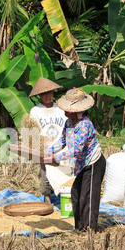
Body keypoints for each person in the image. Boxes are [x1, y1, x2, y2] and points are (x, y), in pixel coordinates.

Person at [44, 88, 106, 232]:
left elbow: (76, 150)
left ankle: (89, 229)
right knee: (76, 194)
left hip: (92, 163)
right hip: (81, 164)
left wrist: (55, 157)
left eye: (67, 110)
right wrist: (47, 152)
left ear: (76, 111)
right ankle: (80, 227)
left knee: (88, 197)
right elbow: (62, 142)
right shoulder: (69, 123)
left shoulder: (84, 125)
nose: (64, 112)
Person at [28, 77, 67, 204]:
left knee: (64, 171)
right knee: (45, 173)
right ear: (39, 95)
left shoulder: (60, 108)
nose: (48, 96)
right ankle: (47, 197)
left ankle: (65, 195)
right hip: (45, 148)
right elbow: (33, 130)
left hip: (61, 146)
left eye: (50, 93)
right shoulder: (35, 111)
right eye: (44, 94)